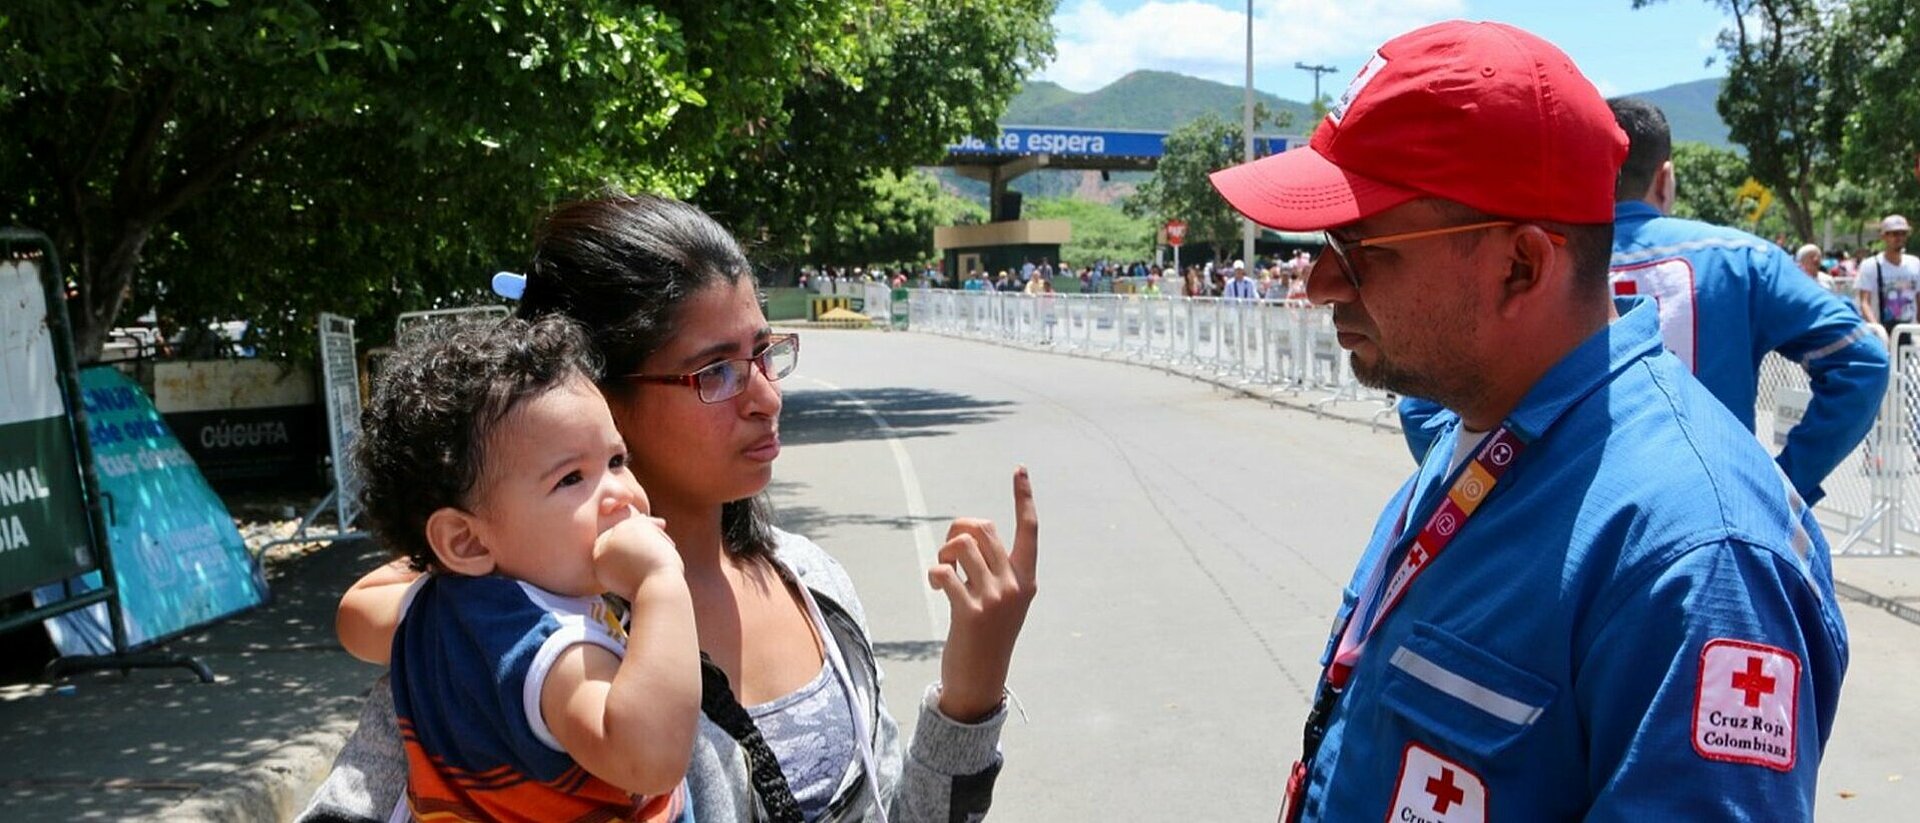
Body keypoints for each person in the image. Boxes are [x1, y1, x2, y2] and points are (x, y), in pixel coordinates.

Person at [1209, 21, 1846, 822]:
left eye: (1362, 243)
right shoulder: (1476, 433)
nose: (1321, 283)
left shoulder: (1696, 557)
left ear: (1522, 264)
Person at [301, 193, 1039, 823]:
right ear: (595, 394)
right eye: (713, 371)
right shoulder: (514, 641)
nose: (766, 397)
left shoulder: (812, 583)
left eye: (763, 354)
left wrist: (970, 691)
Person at [1407, 97, 1886, 504]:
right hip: (1705, 521)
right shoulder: (1742, 259)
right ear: (1666, 177)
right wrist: (1781, 482)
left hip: (1557, 529)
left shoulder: (1525, 262)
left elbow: (1420, 404)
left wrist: (1494, 490)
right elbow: (1862, 362)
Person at [348, 316, 698, 821]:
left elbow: (355, 612)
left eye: (617, 461)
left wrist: (459, 555)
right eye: (572, 478)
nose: (620, 494)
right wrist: (660, 583)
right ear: (464, 539)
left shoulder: (438, 611)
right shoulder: (556, 648)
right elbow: (649, 760)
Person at [1856, 214, 1920, 340]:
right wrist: (1878, 332)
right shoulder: (1871, 265)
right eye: (1895, 234)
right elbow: (1864, 302)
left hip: (1909, 332)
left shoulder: (1915, 263)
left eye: (1903, 233)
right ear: (1884, 236)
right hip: (1882, 333)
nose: (1899, 237)